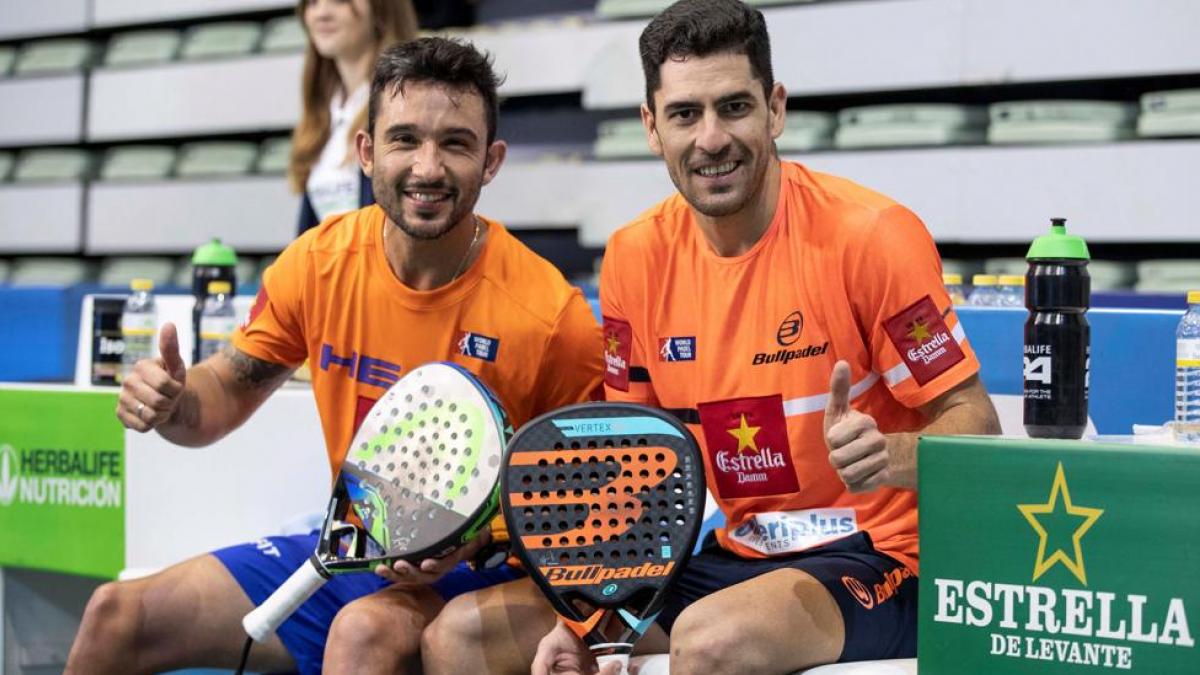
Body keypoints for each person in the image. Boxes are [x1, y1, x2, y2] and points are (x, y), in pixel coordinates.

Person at [419, 2, 1001, 674]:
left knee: (710, 638)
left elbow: (979, 427)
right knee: (461, 635)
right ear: (651, 126)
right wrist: (577, 616)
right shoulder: (634, 257)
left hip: (886, 555)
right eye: (685, 114)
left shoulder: (871, 236)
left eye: (734, 107)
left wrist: (891, 456)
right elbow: (633, 465)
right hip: (736, 558)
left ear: (774, 109)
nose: (712, 138)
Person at [66, 37, 603, 675]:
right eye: (405, 140)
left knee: (362, 633)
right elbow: (223, 395)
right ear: (366, 152)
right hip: (352, 550)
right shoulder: (319, 262)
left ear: (491, 161)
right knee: (115, 615)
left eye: (455, 144)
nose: (428, 167)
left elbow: (589, 514)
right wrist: (174, 403)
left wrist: (473, 540)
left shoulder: (551, 317)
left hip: (485, 575)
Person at [293, 0, 418, 235]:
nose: (321, 13)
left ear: (382, 8)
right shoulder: (326, 113)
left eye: (339, 1)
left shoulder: (408, 103)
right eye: (312, 2)